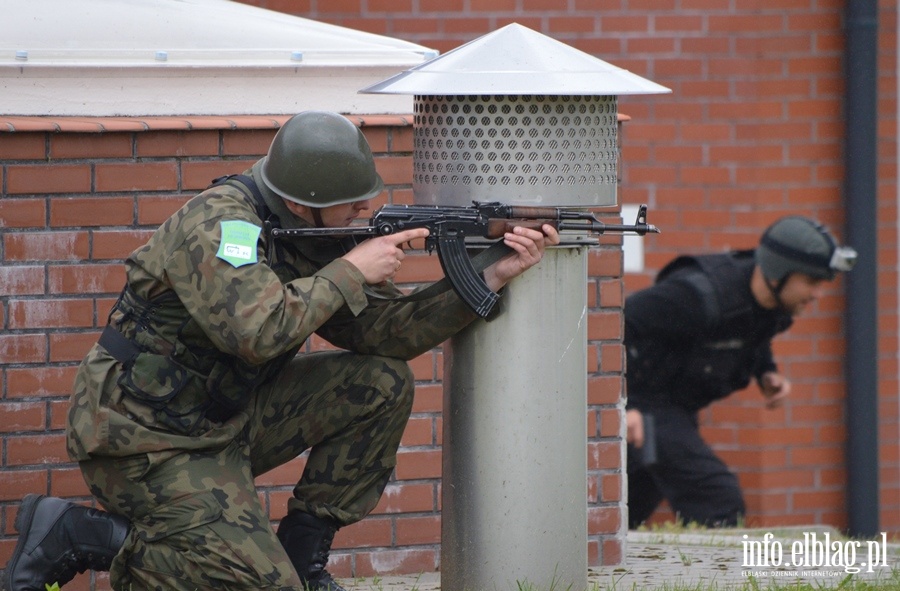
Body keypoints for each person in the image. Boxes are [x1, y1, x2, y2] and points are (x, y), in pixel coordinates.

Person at [1, 111, 560, 591]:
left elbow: (388, 333)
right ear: (300, 201)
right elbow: (255, 332)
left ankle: (302, 557)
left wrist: (492, 274)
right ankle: (80, 534)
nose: (360, 213)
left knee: (379, 382)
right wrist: (349, 270)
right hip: (144, 437)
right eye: (348, 206)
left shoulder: (309, 232)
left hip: (224, 420)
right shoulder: (222, 227)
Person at [624, 216, 856, 529]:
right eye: (812, 281)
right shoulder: (695, 296)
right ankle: (720, 578)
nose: (818, 294)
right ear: (777, 274)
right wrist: (623, 405)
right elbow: (614, 327)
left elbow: (754, 334)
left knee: (626, 509)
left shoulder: (774, 306)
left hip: (674, 409)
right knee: (716, 498)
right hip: (643, 404)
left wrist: (766, 372)